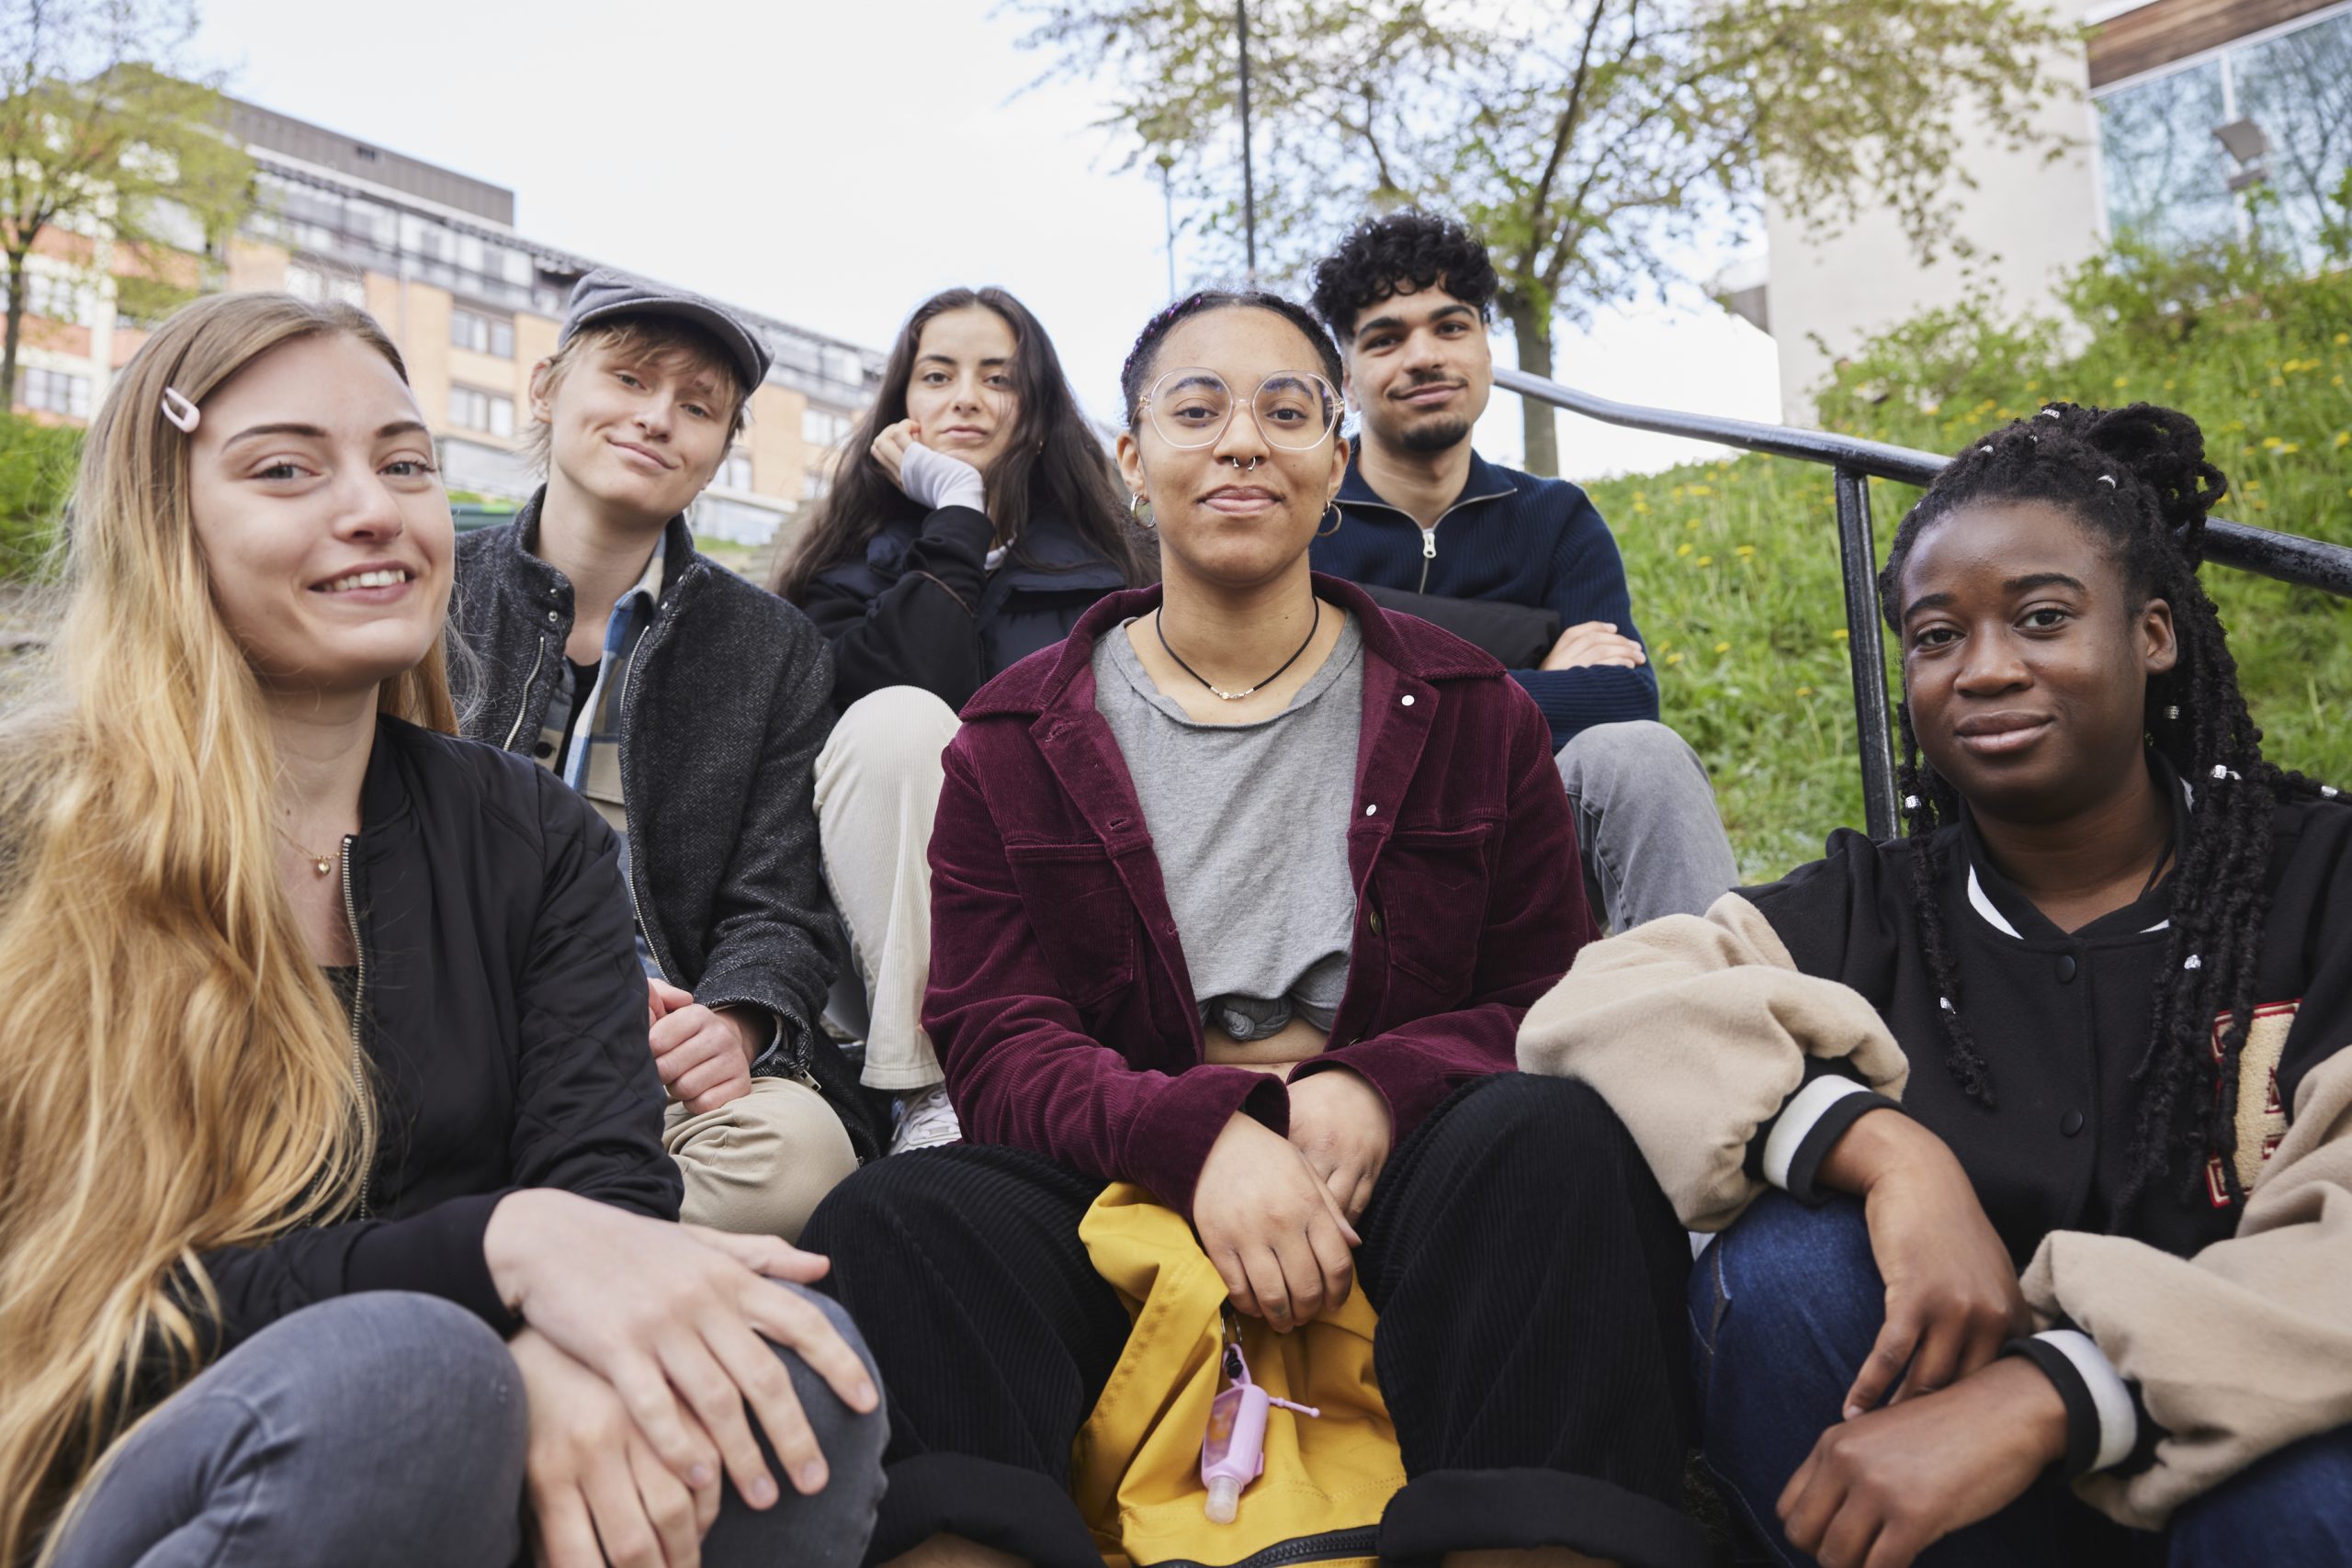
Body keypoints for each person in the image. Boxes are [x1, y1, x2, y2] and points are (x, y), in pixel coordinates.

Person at [799, 289, 1708, 1568]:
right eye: (1197, 408)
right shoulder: (1013, 732)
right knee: (895, 1216)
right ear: (1131, 457)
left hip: (1406, 1170)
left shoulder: (1470, 708)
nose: (1241, 441)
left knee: (1552, 1137)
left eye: (1288, 411)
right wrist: (1199, 1136)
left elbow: (1539, 997)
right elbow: (997, 1040)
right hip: (1125, 1167)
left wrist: (1376, 1086)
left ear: (1336, 463)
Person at [0, 293, 886, 1568]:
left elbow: (608, 1192)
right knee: (413, 1376)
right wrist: (501, 1256)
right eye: (287, 469)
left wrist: (549, 1316)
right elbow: (95, 1306)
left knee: (787, 1364)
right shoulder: (41, 832)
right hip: (102, 1447)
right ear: (162, 516)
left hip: (447, 1413)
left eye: (404, 463)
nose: (374, 508)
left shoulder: (530, 835)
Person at [1519, 402, 2352, 1567]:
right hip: (1954, 1522)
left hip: (2228, 1483)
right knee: (1791, 1268)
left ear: (2152, 633)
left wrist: (2061, 1388)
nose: (1987, 669)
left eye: (2044, 619)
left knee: (2314, 1487)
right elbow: (1594, 1006)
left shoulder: (2320, 881)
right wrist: (1884, 1151)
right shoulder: (1872, 906)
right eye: (1934, 636)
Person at [455, 269, 875, 1238]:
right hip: (440, 1022)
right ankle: (558, 1241)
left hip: (646, 1057)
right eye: (631, 381)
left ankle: (507, 1238)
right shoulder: (430, 582)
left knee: (799, 1157)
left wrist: (733, 1022)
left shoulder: (772, 647)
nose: (657, 420)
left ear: (721, 451)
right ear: (547, 388)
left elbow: (778, 904)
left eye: (697, 408)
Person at [774, 287, 1153, 1153]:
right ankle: (938, 1090)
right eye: (936, 376)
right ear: (902, 404)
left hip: (1071, 904)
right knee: (899, 719)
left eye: (998, 377)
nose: (965, 398)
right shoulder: (838, 575)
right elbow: (908, 694)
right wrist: (956, 510)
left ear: (1038, 408)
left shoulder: (1119, 578)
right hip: (887, 945)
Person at [1306, 210, 1737, 931]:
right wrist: (1539, 675)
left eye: (1450, 327)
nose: (1423, 357)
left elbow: (1625, 697)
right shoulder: (1305, 523)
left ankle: (1715, 1015)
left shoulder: (1557, 517)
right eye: (1387, 338)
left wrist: (1401, 692)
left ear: (1485, 348)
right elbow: (1314, 714)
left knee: (1641, 755)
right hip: (1345, 852)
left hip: (1523, 834)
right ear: (1346, 378)